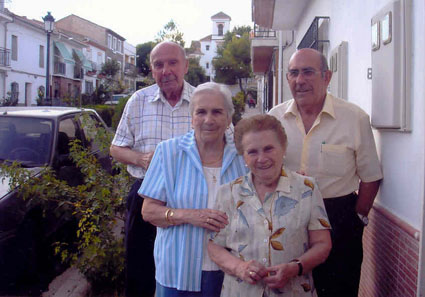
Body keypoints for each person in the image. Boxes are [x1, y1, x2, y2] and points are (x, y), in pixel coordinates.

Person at [268, 48, 383, 297]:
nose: (300, 80)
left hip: (339, 219)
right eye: (294, 73)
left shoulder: (354, 118)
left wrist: (357, 219)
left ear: (327, 76)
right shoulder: (274, 119)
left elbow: (371, 175)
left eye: (308, 72)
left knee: (338, 289)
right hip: (286, 217)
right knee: (288, 289)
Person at [139, 82, 248, 297]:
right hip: (178, 271)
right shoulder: (168, 152)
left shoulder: (244, 156)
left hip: (233, 270)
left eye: (217, 112)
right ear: (191, 118)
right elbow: (148, 211)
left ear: (228, 118)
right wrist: (189, 215)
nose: (208, 120)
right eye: (201, 112)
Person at [207, 114, 332, 297]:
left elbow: (322, 244)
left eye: (268, 149)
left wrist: (295, 268)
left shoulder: (307, 189)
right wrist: (240, 268)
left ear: (283, 149)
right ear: (243, 157)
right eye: (252, 152)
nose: (261, 158)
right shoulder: (228, 193)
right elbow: (214, 246)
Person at [110, 41, 193, 297]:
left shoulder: (203, 100)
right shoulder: (139, 100)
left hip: (190, 198)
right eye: (159, 65)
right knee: (140, 269)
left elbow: (230, 146)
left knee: (188, 269)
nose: (166, 70)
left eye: (172, 63)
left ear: (186, 66)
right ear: (151, 70)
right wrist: (141, 159)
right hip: (145, 193)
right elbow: (116, 148)